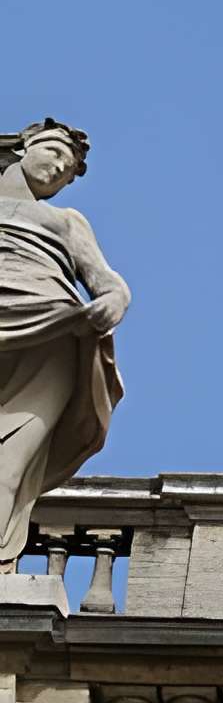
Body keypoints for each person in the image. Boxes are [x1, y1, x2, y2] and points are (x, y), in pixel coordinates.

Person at [0, 119, 127, 567]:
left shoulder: (67, 222)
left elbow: (108, 283)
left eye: (69, 169)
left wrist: (112, 303)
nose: (58, 169)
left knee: (9, 465)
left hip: (52, 331)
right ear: (25, 147)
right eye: (54, 153)